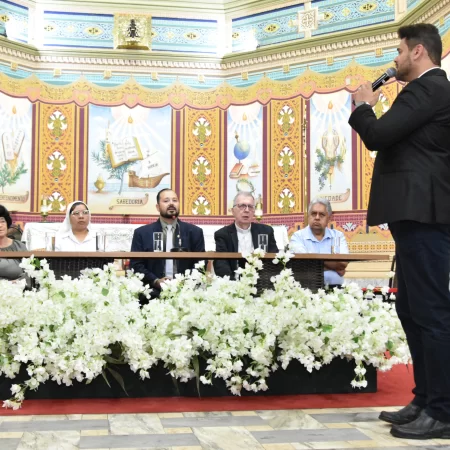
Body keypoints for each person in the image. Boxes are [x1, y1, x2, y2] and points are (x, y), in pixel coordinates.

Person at [349, 24, 450, 440]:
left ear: (419, 51)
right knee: (410, 308)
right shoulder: (425, 92)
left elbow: (378, 135)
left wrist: (363, 105)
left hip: (424, 214)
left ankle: (442, 410)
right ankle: (424, 399)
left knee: (431, 311)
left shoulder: (428, 88)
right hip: (414, 216)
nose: (395, 59)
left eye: (399, 51)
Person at [130, 188, 205, 297]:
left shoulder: (194, 232)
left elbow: (200, 263)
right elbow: (136, 264)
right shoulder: (142, 233)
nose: (171, 203)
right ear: (157, 207)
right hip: (152, 291)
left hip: (186, 291)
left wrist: (184, 282)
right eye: (166, 201)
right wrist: (156, 281)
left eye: (175, 200)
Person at [214, 192, 278, 279]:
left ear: (254, 211)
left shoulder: (266, 231)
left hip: (261, 282)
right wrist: (231, 284)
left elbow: (274, 259)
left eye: (250, 206)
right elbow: (221, 264)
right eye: (242, 206)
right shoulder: (223, 234)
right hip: (233, 282)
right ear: (233, 211)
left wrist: (264, 281)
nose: (247, 210)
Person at [289, 198, 349, 288]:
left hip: (335, 289)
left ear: (329, 218)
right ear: (308, 216)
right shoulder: (297, 236)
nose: (317, 217)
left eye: (321, 214)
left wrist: (312, 260)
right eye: (313, 214)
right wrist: (335, 267)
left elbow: (343, 263)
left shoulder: (338, 236)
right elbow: (303, 263)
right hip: (307, 288)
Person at [0, 204, 29, 284]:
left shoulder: (19, 246)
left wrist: (17, 283)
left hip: (17, 288)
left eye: (2, 221)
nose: (0, 225)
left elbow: (29, 273)